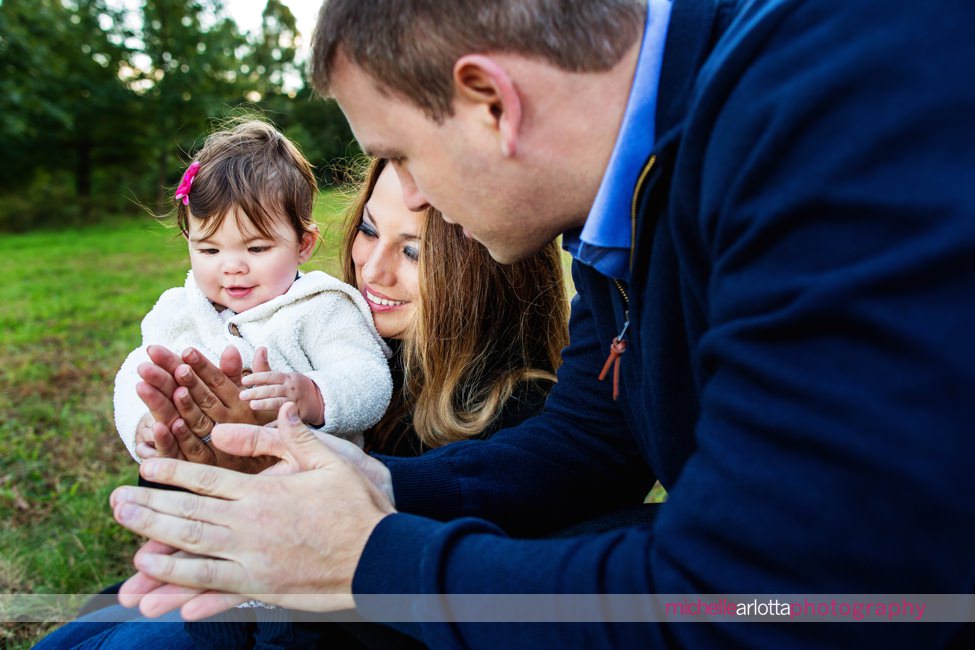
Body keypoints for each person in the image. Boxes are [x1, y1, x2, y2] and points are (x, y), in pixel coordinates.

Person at [101, 0, 975, 648]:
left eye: (400, 154)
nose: (412, 196)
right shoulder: (629, 194)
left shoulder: (838, 100)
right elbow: (588, 449)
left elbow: (780, 601)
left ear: (489, 100)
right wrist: (347, 482)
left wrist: (372, 563)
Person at [34, 158, 570, 648]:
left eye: (413, 250)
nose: (372, 269)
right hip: (227, 578)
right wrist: (186, 434)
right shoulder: (332, 335)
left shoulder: (517, 412)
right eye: (367, 229)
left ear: (487, 260)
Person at [115, 119, 392, 462]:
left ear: (303, 244)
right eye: (210, 251)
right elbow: (135, 371)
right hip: (203, 476)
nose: (232, 267)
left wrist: (314, 395)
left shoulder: (322, 306)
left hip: (306, 480)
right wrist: (139, 422)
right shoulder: (178, 310)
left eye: (257, 249)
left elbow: (369, 378)